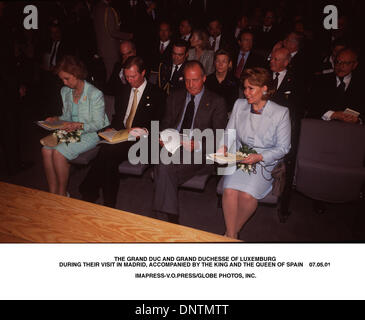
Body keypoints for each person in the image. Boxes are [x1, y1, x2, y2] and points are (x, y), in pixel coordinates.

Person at [79, 56, 165, 208]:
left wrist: (141, 130)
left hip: (143, 140)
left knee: (107, 151)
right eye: (127, 77)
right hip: (123, 135)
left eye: (133, 76)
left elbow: (159, 124)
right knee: (109, 156)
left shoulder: (158, 94)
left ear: (143, 73)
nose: (130, 80)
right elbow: (119, 118)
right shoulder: (123, 91)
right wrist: (113, 128)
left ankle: (89, 189)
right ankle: (108, 203)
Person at [218, 67, 291, 239]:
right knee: (229, 191)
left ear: (264, 88)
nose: (246, 93)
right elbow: (230, 132)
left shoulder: (280, 113)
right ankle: (232, 235)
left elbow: (283, 148)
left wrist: (260, 157)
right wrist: (223, 148)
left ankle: (229, 234)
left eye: (251, 88)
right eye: (244, 88)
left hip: (263, 162)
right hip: (239, 157)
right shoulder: (239, 105)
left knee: (246, 196)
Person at [152, 60, 227, 224]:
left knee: (162, 168)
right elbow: (166, 123)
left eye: (195, 80)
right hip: (174, 146)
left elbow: (220, 136)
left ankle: (164, 217)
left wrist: (198, 144)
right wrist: (163, 137)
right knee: (164, 166)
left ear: (204, 78)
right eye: (187, 80)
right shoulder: (175, 96)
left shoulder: (216, 101)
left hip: (199, 152)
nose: (191, 85)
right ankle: (169, 217)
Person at [41, 55, 110, 196]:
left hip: (90, 133)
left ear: (77, 74)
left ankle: (61, 194)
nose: (64, 82)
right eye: (62, 79)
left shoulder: (94, 94)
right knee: (46, 150)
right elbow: (66, 117)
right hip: (71, 130)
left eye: (67, 78)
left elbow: (98, 124)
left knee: (59, 152)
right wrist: (56, 119)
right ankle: (53, 192)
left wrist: (78, 125)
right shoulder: (65, 92)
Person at [308, 48, 363, 123]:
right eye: (338, 62)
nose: (340, 66)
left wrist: (358, 120)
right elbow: (312, 107)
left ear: (354, 65)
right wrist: (333, 114)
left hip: (351, 131)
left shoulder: (361, 86)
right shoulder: (320, 81)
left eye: (346, 63)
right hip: (322, 127)